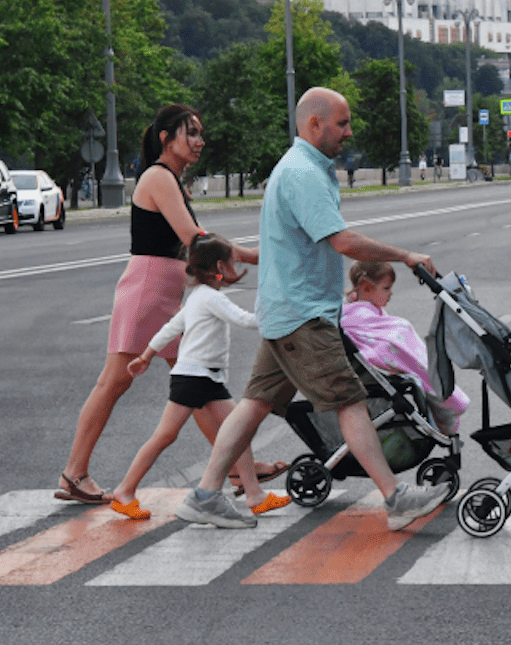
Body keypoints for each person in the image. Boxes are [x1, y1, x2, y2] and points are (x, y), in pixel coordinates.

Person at [176, 87, 450, 530]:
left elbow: (286, 245)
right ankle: (396, 498)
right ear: (314, 124)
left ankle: (205, 495)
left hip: (286, 312)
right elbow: (342, 241)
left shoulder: (299, 168)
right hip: (302, 316)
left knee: (254, 405)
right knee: (350, 401)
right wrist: (405, 255)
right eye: (342, 123)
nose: (349, 131)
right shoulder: (303, 173)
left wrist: (244, 256)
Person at [55, 105, 268, 505]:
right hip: (148, 291)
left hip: (162, 292)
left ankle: (241, 469)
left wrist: (241, 257)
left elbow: (197, 239)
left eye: (200, 133)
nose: (199, 141)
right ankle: (74, 473)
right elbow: (195, 239)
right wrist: (252, 256)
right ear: (167, 138)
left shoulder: (171, 180)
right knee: (117, 382)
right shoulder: (158, 177)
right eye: (191, 133)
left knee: (196, 382)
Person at [111, 233, 291, 520]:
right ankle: (124, 490)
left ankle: (255, 495)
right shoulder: (211, 298)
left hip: (205, 378)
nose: (234, 268)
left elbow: (170, 328)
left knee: (239, 431)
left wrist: (146, 355)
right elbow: (245, 320)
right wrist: (279, 314)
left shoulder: (197, 297)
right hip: (194, 378)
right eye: (232, 262)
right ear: (219, 266)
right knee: (166, 436)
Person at [341, 261, 469, 435]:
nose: (391, 293)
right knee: (405, 336)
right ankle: (446, 401)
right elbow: (381, 341)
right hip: (384, 358)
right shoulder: (357, 315)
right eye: (386, 288)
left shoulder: (353, 308)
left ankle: (443, 402)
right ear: (366, 287)